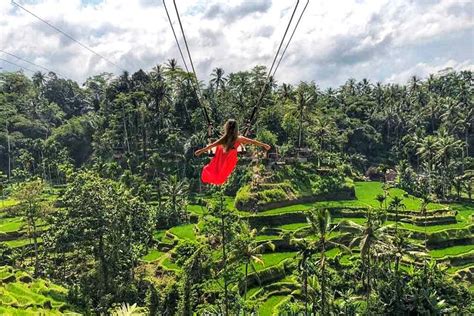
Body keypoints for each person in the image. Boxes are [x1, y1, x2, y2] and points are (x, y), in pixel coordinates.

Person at [195, 119, 271, 185]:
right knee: (218, 174)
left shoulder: (224, 138)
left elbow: (212, 145)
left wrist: (200, 151)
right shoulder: (238, 138)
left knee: (210, 170)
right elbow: (253, 142)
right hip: (229, 160)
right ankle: (217, 178)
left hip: (222, 159)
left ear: (227, 128)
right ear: (236, 129)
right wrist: (264, 145)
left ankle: (213, 178)